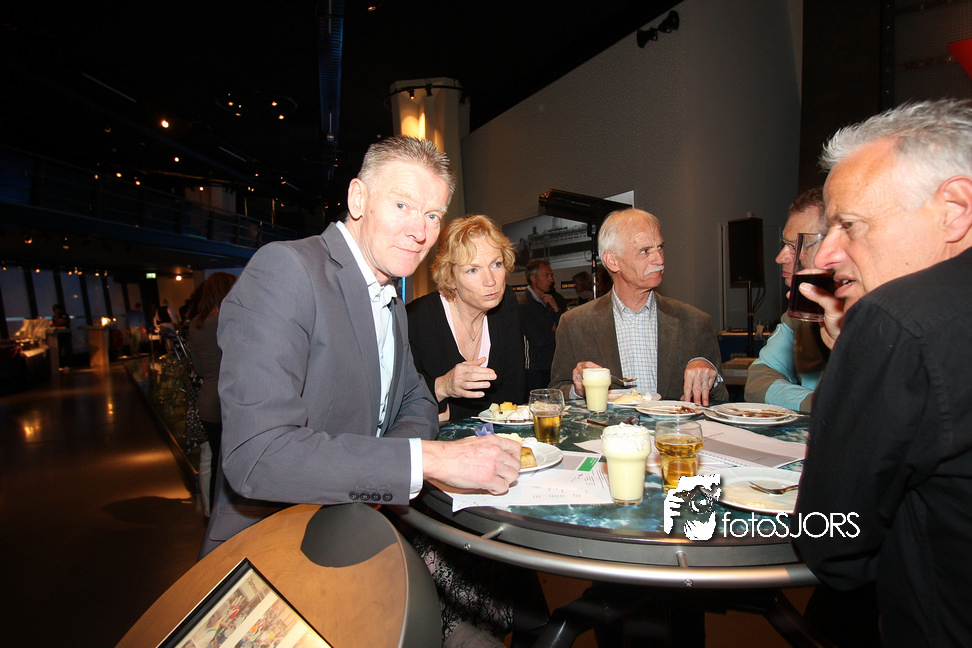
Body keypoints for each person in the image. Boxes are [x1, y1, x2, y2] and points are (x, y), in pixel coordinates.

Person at [204, 136, 522, 645]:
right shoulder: (286, 269)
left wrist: (376, 473)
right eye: (403, 206)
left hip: (352, 539)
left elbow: (417, 400)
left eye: (433, 215)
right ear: (358, 199)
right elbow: (257, 454)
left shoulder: (388, 295)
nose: (420, 231)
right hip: (274, 567)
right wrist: (424, 461)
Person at [794, 99, 972, 647]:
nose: (826, 254)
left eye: (849, 225)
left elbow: (831, 539)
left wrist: (857, 352)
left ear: (954, 208)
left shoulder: (894, 319)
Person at [550, 208, 727, 404]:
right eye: (645, 251)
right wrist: (579, 388)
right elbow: (557, 391)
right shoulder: (575, 324)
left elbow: (720, 400)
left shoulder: (695, 322)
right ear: (612, 261)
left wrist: (709, 375)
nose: (660, 259)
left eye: (660, 247)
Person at [407, 215, 525, 422]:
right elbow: (403, 405)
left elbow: (515, 392)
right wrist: (443, 386)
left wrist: (447, 412)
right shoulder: (415, 319)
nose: (491, 281)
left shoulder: (506, 302)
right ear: (450, 278)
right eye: (472, 270)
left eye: (496, 264)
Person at [744, 187, 829, 412]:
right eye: (786, 244)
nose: (780, 257)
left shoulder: (876, 316)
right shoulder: (797, 316)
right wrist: (815, 402)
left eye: (796, 245)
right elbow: (757, 381)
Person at [187, 272, 236, 515]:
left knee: (215, 458)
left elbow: (197, 367)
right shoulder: (228, 320)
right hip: (228, 401)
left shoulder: (195, 324)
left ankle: (213, 514)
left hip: (206, 401)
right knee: (230, 463)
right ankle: (226, 517)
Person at [518, 260, 566, 392]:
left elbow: (562, 329)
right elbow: (538, 339)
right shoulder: (525, 305)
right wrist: (554, 330)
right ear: (533, 278)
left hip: (550, 364)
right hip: (536, 368)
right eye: (546, 275)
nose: (551, 280)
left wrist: (556, 310)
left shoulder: (548, 301)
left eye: (551, 275)